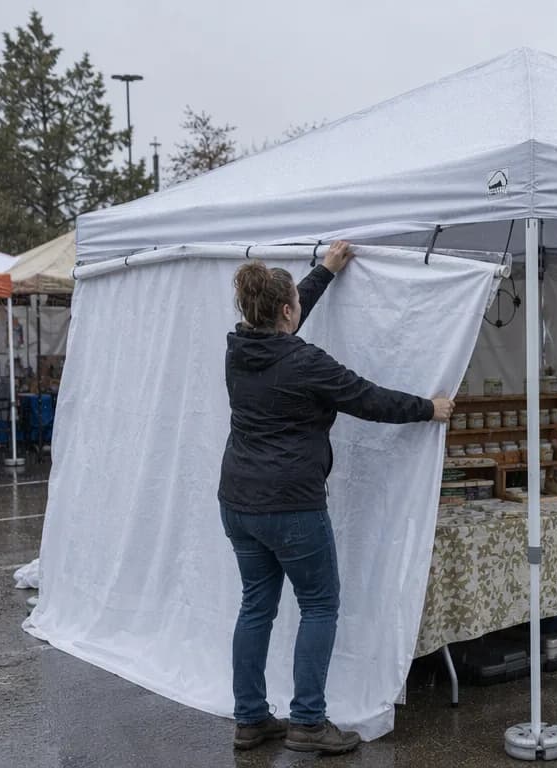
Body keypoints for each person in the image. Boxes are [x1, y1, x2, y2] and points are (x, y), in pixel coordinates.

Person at [218, 241, 454, 754]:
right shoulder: (305, 362)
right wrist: (427, 408)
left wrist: (323, 272)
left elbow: (282, 320)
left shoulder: (240, 349)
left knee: (256, 605)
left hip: (237, 501)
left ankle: (250, 719)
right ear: (286, 311)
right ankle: (307, 722)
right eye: (293, 305)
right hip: (290, 505)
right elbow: (367, 398)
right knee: (319, 604)